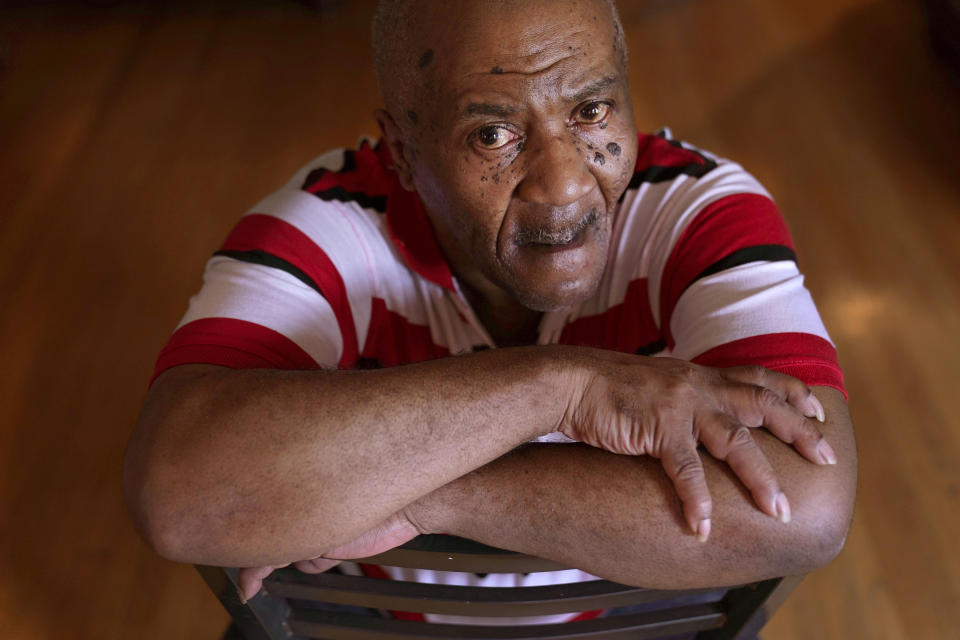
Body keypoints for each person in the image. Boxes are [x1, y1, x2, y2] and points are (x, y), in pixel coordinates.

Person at [123, 0, 857, 626]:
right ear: (404, 151)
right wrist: (565, 387)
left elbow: (808, 508)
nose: (565, 184)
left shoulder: (698, 208)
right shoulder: (326, 223)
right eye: (493, 134)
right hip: (367, 628)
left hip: (634, 621)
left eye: (591, 109)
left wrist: (421, 495)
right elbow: (180, 495)